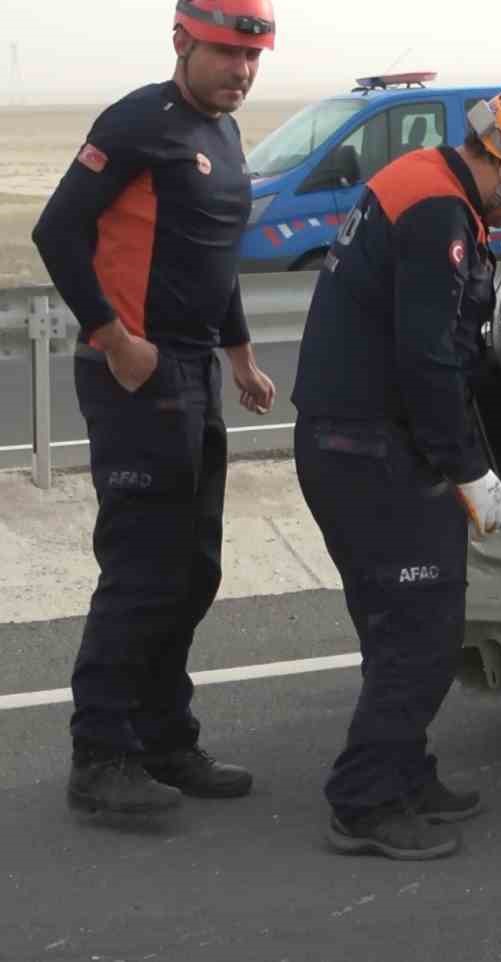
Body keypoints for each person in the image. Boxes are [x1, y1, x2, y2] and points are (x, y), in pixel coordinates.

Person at [292, 86, 501, 859]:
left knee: (401, 627)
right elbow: (425, 358)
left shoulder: (425, 178)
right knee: (419, 634)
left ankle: (405, 770)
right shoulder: (437, 213)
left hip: (351, 442)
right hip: (371, 451)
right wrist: (470, 469)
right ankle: (364, 801)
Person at [31, 0, 278, 816]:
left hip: (194, 372)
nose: (242, 72)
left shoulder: (225, 136)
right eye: (225, 55)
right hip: (134, 373)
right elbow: (57, 230)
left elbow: (215, 259)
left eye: (254, 58)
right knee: (140, 572)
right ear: (181, 41)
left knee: (193, 570)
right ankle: (100, 758)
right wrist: (112, 337)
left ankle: (166, 740)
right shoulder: (138, 121)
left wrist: (238, 351)